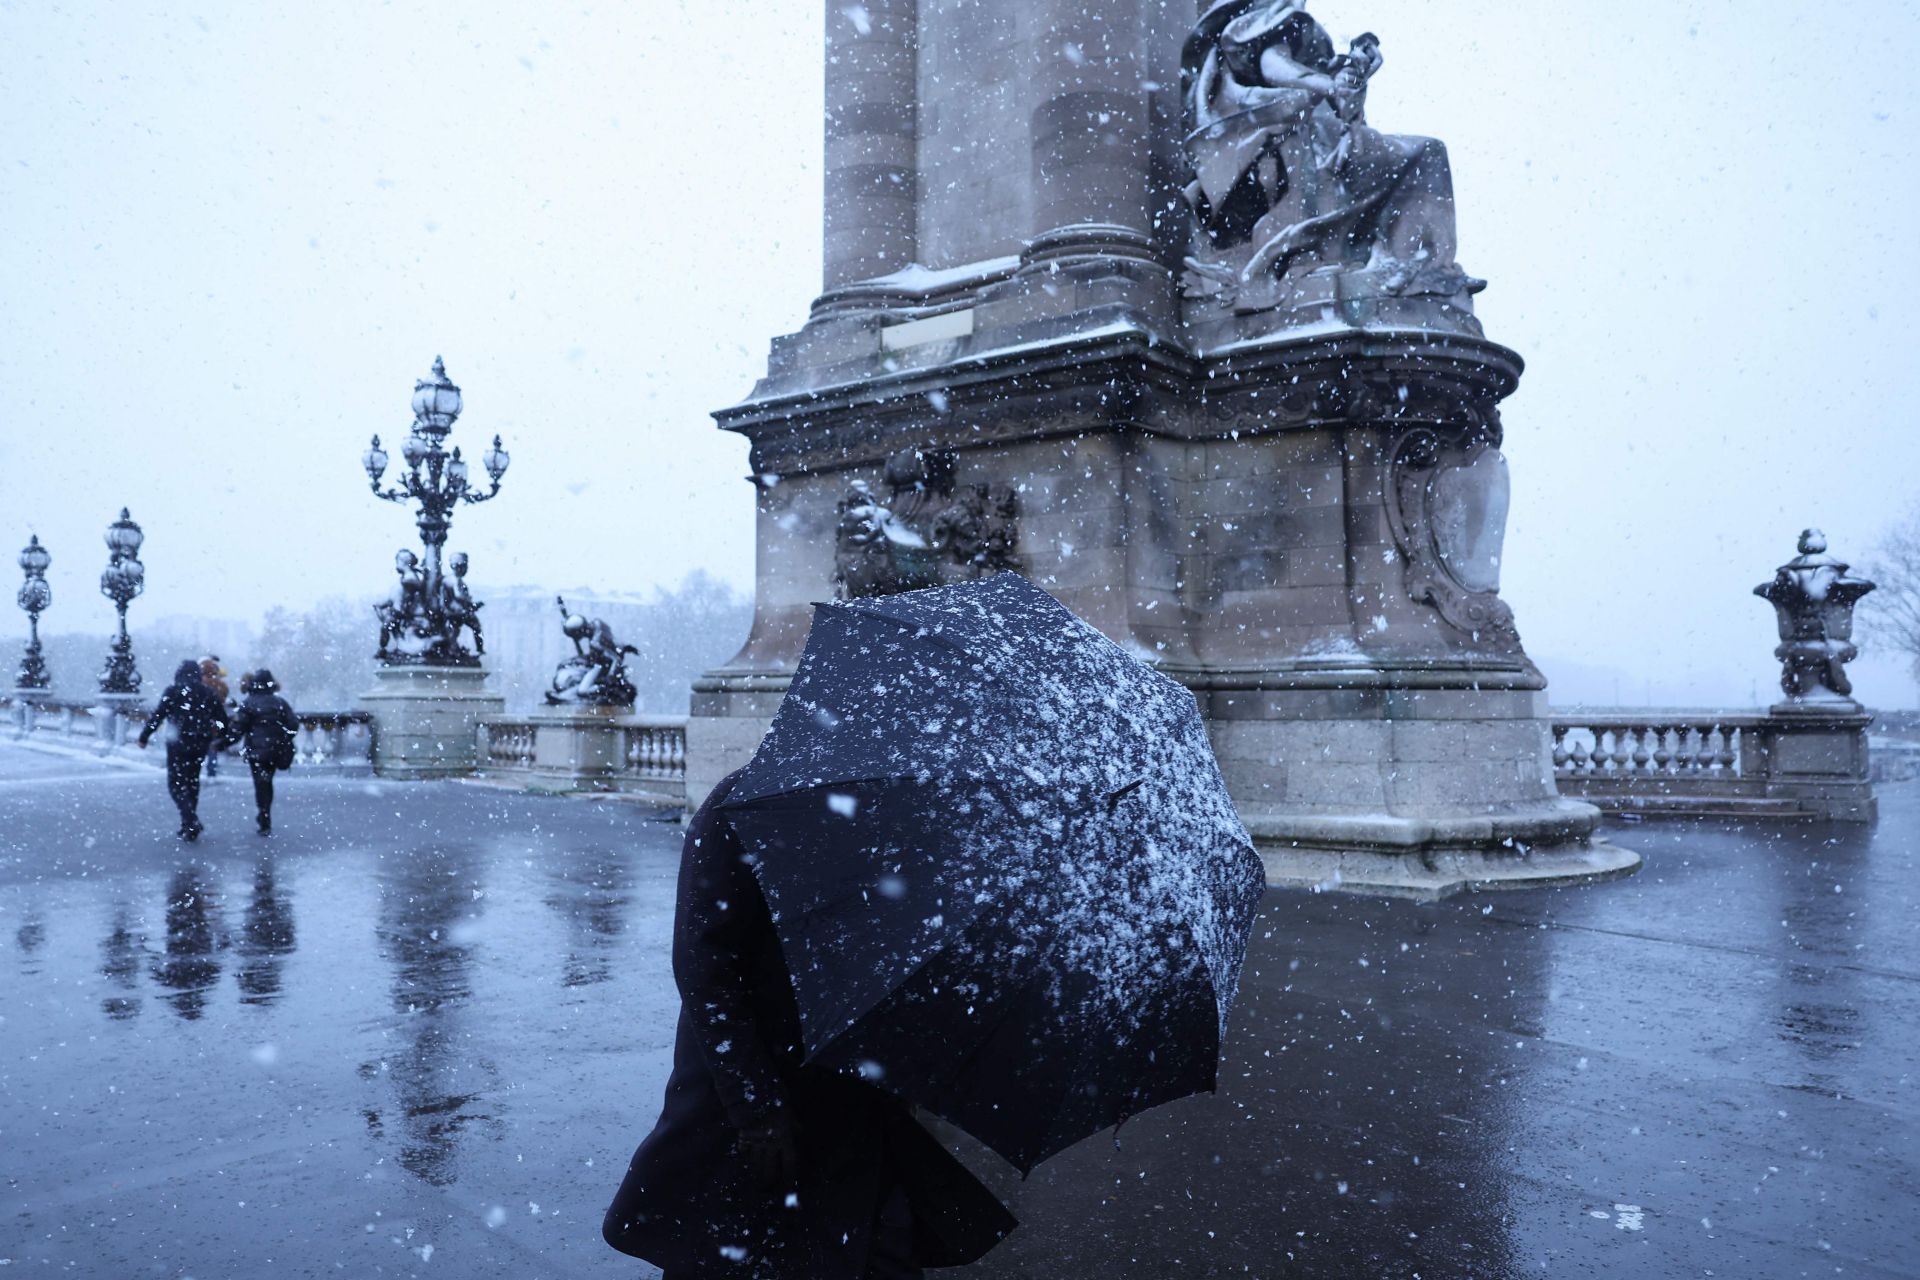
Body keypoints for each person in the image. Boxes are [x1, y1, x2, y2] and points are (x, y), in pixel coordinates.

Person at [603, 771, 1014, 1279]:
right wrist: (755, 1106)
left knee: (859, 1249)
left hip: (854, 1092)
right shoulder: (747, 800)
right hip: (757, 1092)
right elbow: (703, 964)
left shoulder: (902, 807)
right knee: (743, 1254)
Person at [138, 659, 230, 841]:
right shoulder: (208, 692)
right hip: (201, 742)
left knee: (175, 784)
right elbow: (222, 719)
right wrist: (220, 737)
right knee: (192, 781)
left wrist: (144, 736)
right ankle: (188, 824)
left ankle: (189, 820)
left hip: (178, 742)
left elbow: (158, 715)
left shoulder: (173, 691)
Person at [227, 668, 298, 836]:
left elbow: (238, 729)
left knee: (260, 782)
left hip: (257, 751)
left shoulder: (248, 703)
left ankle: (263, 814)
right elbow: (293, 725)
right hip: (275, 750)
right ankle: (265, 812)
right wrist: (283, 738)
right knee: (267, 781)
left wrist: (223, 742)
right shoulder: (280, 702)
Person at [199, 656, 231, 778]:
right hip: (215, 719)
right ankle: (211, 771)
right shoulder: (220, 685)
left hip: (200, 720)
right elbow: (225, 695)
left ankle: (197, 768)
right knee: (213, 745)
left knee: (200, 744)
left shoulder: (199, 683)